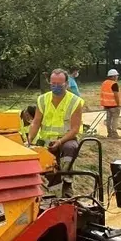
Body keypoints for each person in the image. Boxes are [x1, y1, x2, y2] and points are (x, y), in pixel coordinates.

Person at [27, 68, 84, 198]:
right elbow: (36, 122)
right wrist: (29, 140)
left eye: (59, 84)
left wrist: (60, 141)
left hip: (66, 139)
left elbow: (75, 129)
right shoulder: (42, 100)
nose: (56, 87)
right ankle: (52, 194)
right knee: (46, 162)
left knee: (69, 149)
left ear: (67, 84)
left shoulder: (75, 101)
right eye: (53, 84)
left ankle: (67, 184)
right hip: (46, 140)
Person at [101, 68, 121, 139]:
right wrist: (118, 104)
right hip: (114, 105)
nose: (117, 77)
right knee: (115, 120)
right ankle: (114, 133)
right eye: (116, 76)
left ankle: (109, 133)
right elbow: (116, 95)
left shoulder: (104, 83)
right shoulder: (114, 84)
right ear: (113, 76)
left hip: (106, 105)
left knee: (108, 120)